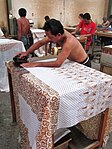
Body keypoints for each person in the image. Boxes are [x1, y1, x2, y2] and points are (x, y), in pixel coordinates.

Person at [17, 19, 91, 68]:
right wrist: (27, 52)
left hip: (83, 64)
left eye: (50, 37)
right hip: (73, 62)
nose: (49, 39)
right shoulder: (57, 34)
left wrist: (36, 64)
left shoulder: (69, 41)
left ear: (58, 35)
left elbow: (58, 63)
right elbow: (40, 43)